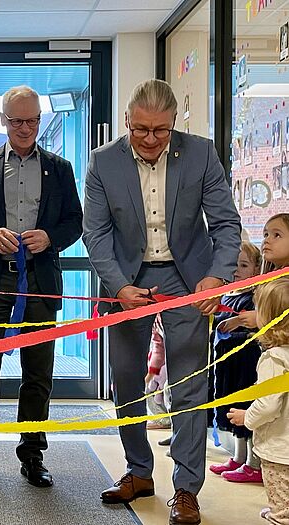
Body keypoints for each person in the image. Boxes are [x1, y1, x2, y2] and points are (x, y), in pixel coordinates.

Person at [82, 78, 241, 525]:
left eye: (161, 131)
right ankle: (138, 472)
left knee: (188, 386)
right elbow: (95, 233)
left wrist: (216, 278)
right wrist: (116, 287)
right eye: (141, 130)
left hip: (187, 277)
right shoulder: (102, 162)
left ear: (174, 124)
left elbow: (227, 224)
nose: (150, 140)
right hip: (127, 281)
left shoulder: (202, 154)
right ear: (127, 121)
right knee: (127, 381)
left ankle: (186, 489)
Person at [0, 85, 83, 488]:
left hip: (40, 280)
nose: (26, 129)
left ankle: (32, 455)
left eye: (33, 121)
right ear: (3, 121)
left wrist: (51, 239)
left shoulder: (59, 168)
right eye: (17, 121)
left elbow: (74, 222)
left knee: (38, 371)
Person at [228, 277, 289, 525]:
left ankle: (279, 516)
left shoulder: (273, 359)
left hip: (279, 449)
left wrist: (247, 418)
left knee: (280, 498)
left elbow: (269, 404)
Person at [208, 242, 263, 483]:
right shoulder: (227, 296)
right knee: (231, 409)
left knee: (245, 409)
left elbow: (256, 333)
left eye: (243, 265)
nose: (237, 270)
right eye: (234, 265)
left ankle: (253, 463)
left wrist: (232, 329)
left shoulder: (253, 298)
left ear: (255, 269)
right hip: (226, 365)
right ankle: (239, 458)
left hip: (246, 365)